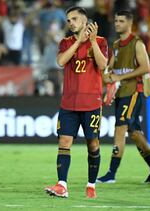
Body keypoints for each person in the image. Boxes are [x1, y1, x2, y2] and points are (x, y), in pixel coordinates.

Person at [44, 6, 108, 198]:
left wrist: (91, 42)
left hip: (91, 102)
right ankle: (62, 185)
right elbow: (61, 61)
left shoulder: (101, 41)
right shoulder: (65, 42)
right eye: (68, 20)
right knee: (64, 141)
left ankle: (91, 185)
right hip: (69, 103)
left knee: (93, 144)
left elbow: (103, 65)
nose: (70, 22)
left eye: (74, 19)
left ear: (84, 21)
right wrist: (78, 42)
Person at [97, 10, 150, 184]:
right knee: (135, 133)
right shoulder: (116, 45)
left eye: (121, 21)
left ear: (129, 23)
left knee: (120, 129)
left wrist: (119, 77)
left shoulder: (137, 43)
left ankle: (111, 173)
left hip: (133, 92)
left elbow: (146, 68)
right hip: (121, 93)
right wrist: (107, 76)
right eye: (116, 20)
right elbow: (110, 69)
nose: (117, 23)